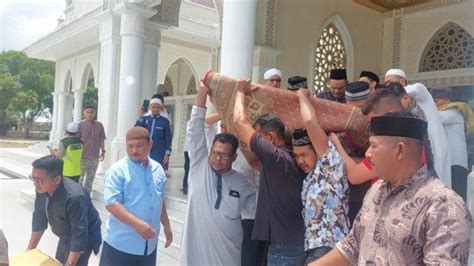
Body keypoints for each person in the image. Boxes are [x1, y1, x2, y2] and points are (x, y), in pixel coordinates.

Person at [311, 112, 472, 265]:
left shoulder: (443, 205)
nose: (367, 154)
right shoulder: (376, 190)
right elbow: (352, 246)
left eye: (373, 146)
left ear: (399, 150)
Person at [180, 82, 257, 266]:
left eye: (224, 155)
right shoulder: (200, 164)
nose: (217, 158)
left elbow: (257, 209)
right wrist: (202, 93)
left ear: (234, 157)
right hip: (194, 258)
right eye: (215, 153)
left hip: (228, 257)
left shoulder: (242, 183)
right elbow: (195, 127)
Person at [233, 79, 306, 265]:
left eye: (259, 136)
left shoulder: (276, 158)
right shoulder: (292, 159)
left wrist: (240, 92)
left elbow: (239, 121)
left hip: (285, 249)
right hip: (294, 242)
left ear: (270, 137)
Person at [100, 127, 172, 266]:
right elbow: (111, 203)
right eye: (130, 146)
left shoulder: (158, 170)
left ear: (150, 144)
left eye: (139, 146)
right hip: (121, 246)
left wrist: (167, 226)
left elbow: (158, 200)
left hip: (148, 247)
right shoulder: (117, 171)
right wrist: (138, 224)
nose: (134, 151)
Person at [294, 89, 349, 264]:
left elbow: (310, 121)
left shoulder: (329, 165)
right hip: (314, 249)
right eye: (296, 156)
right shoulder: (310, 179)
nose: (300, 160)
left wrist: (302, 96)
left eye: (304, 154)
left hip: (330, 248)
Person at [26, 155, 102, 266]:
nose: (35, 183)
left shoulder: (74, 197)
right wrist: (30, 249)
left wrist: (70, 263)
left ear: (57, 179)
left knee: (73, 263)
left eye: (39, 180)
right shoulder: (41, 189)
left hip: (85, 236)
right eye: (33, 178)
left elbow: (79, 233)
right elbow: (39, 218)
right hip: (66, 234)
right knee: (59, 262)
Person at [384, 80, 451, 186]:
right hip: (423, 150)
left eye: (397, 102)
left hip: (434, 145)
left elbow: (416, 89)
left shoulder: (422, 96)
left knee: (438, 181)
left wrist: (396, 89)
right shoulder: (408, 111)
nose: (397, 107)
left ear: (405, 97)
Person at [431, 86, 469, 201]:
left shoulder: (452, 112)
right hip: (448, 162)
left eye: (436, 101)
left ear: (446, 99)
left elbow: (432, 118)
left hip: (455, 163)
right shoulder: (445, 113)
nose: (434, 104)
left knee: (457, 198)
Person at [135, 98, 172, 169]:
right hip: (144, 150)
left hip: (158, 151)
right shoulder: (145, 119)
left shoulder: (165, 121)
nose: (155, 109)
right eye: (153, 107)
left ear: (160, 108)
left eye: (157, 107)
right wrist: (141, 116)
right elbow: (136, 130)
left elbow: (168, 139)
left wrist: (167, 154)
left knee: (155, 170)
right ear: (150, 108)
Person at [77, 105, 106, 193]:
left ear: (95, 113)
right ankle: (79, 194)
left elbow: (102, 139)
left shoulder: (99, 125)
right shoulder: (80, 125)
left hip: (94, 157)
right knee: (80, 177)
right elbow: (76, 140)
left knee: (90, 177)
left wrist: (103, 151)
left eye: (92, 112)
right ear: (84, 113)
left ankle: (87, 195)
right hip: (82, 156)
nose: (90, 114)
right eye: (88, 112)